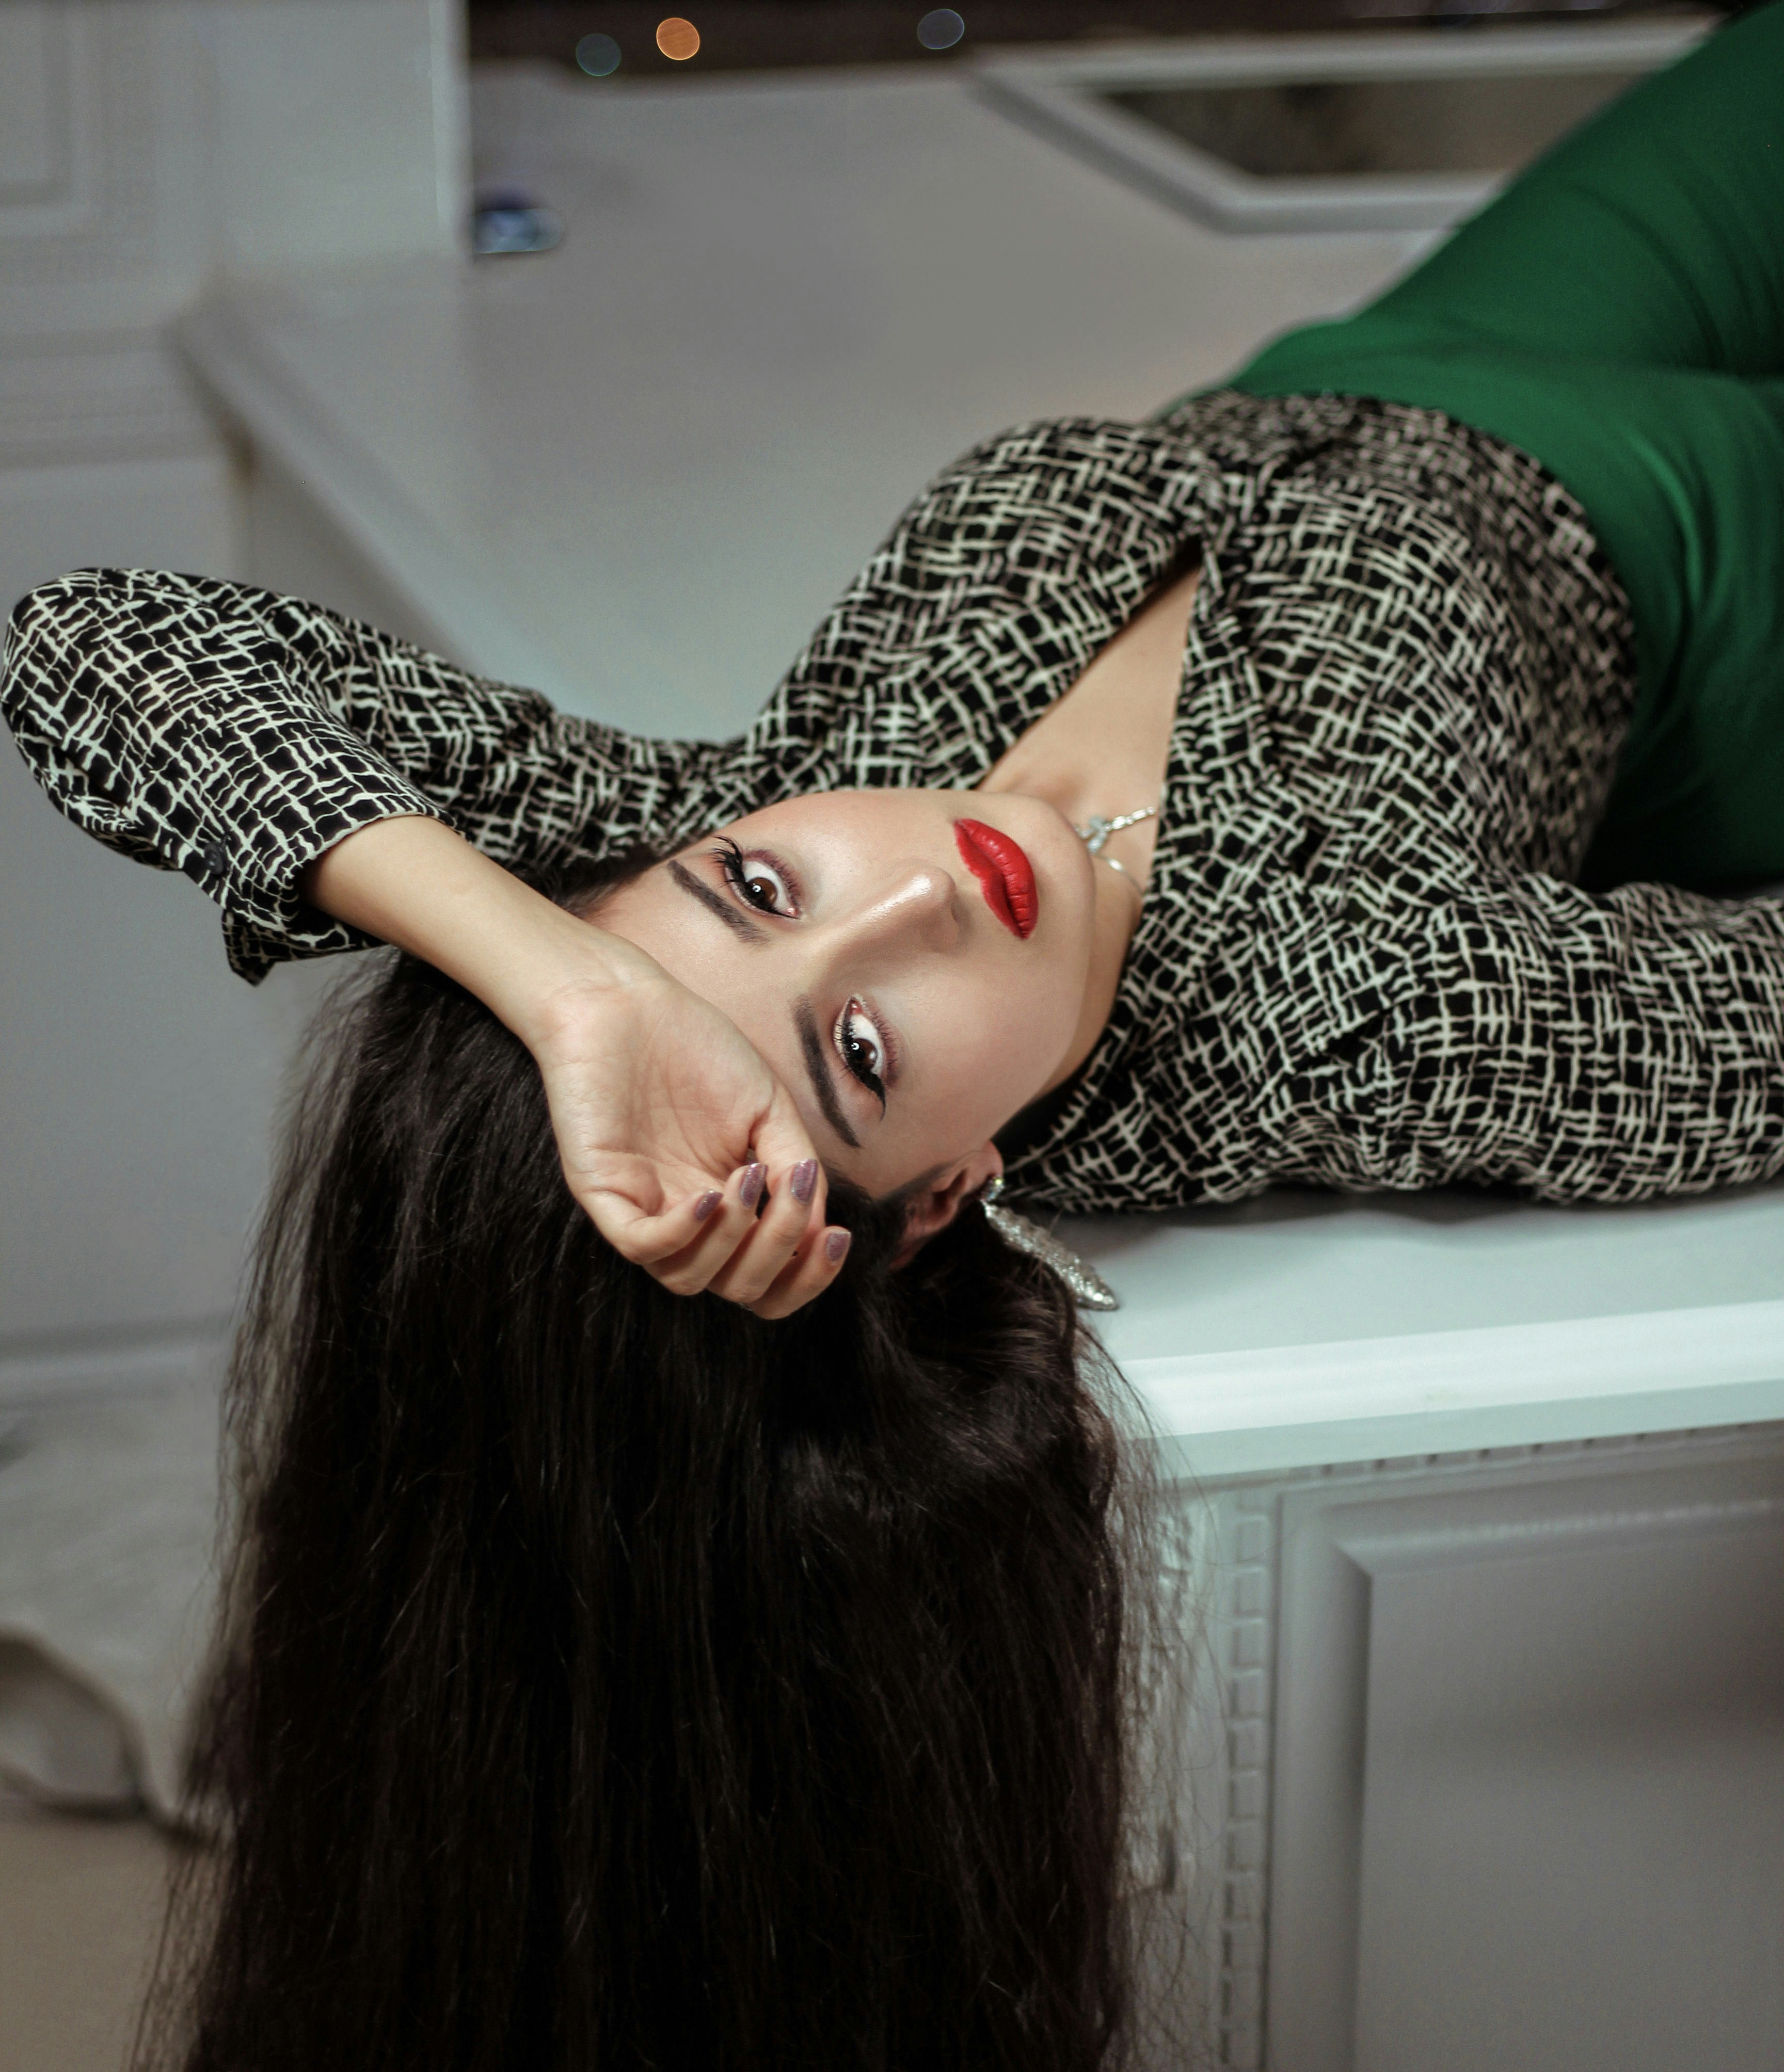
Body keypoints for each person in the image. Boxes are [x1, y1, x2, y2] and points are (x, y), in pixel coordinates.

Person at [4, 8, 1783, 2066]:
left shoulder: (758, 785)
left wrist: (580, 986)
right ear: (949, 1191)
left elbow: (97, 650)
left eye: (758, 888)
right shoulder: (1350, 1017)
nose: (923, 888)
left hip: (1393, 361)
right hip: (1698, 558)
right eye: (862, 1047)